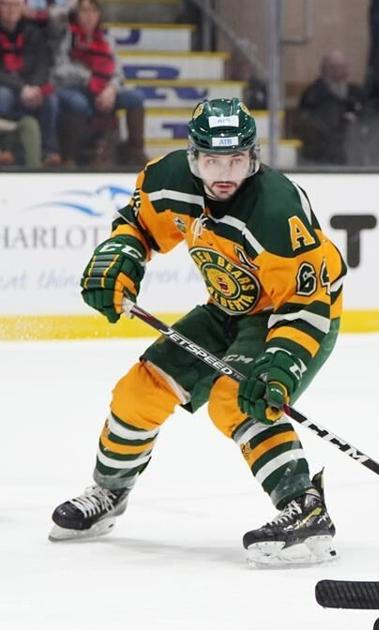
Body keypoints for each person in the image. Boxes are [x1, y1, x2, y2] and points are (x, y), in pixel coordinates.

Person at [49, 98, 347, 568]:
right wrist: (120, 256)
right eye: (212, 160)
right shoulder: (168, 180)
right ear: (193, 157)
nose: (223, 172)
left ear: (252, 157)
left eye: (235, 160)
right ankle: (110, 494)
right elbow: (137, 226)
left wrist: (279, 365)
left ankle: (305, 508)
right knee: (137, 392)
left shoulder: (277, 210)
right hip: (226, 307)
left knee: (238, 399)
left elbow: (306, 301)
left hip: (293, 315)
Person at [52, 0, 147, 166]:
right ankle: (71, 157)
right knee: (78, 103)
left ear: (99, 15)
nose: (89, 16)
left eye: (93, 11)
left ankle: (135, 151)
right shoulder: (66, 34)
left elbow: (118, 72)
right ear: (77, 14)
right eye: (84, 11)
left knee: (135, 97)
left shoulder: (106, 39)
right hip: (74, 87)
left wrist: (111, 89)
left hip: (104, 89)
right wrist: (89, 78)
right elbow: (59, 69)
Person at [0, 0, 60, 165]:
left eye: (16, 5)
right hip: (7, 87)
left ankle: (48, 152)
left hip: (30, 86)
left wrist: (34, 87)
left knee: (51, 100)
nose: (11, 9)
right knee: (3, 98)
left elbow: (43, 62)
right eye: (6, 4)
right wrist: (21, 88)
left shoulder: (33, 31)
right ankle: (6, 148)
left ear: (23, 8)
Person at [296, 50, 365, 165]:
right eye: (333, 67)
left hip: (353, 153)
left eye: (341, 67)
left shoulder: (356, 93)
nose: (338, 72)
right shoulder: (313, 94)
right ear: (323, 70)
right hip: (321, 157)